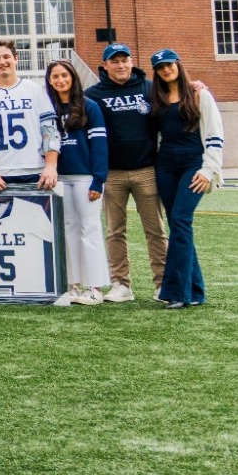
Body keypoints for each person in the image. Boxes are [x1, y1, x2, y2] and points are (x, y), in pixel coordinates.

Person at [85, 43, 166, 301]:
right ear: (105, 65)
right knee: (114, 231)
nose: (120, 65)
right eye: (114, 61)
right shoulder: (94, 95)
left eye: (125, 60)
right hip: (112, 173)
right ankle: (121, 284)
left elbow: (176, 99)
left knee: (155, 230)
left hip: (146, 170)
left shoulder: (149, 88)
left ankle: (163, 283)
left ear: (131, 62)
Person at [150, 49, 223, 308]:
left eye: (169, 65)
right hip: (166, 166)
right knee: (178, 226)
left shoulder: (199, 94)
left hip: (193, 164)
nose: (166, 70)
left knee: (181, 221)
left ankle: (177, 293)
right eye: (160, 67)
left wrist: (208, 170)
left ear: (178, 65)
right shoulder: (156, 98)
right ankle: (195, 291)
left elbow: (215, 135)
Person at [47, 60, 110, 306]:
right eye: (55, 77)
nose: (60, 80)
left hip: (86, 179)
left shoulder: (89, 107)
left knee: (90, 229)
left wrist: (98, 179)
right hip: (61, 179)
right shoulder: (49, 109)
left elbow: (99, 145)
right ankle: (73, 285)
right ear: (50, 81)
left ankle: (95, 288)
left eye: (64, 75)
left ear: (72, 77)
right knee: (69, 230)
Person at [0, 40, 60, 192]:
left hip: (35, 171)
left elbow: (50, 132)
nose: (2, 61)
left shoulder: (35, 90)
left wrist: (50, 166)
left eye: (6, 57)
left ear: (16, 58)